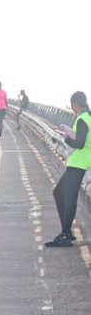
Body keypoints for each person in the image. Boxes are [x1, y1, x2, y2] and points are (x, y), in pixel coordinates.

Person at [45, 91, 91, 247]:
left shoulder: (83, 119)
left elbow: (80, 143)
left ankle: (65, 234)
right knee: (59, 193)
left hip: (79, 163)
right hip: (79, 162)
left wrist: (67, 138)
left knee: (68, 198)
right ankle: (67, 232)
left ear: (74, 105)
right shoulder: (87, 117)